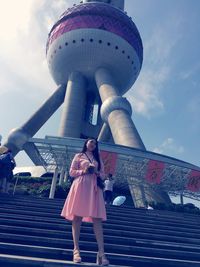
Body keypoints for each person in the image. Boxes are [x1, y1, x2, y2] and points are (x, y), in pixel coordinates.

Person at [61, 138, 109, 266]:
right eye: (91, 142)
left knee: (97, 219)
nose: (93, 144)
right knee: (77, 217)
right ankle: (76, 250)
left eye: (95, 143)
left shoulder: (98, 157)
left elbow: (104, 175)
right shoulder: (79, 155)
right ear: (86, 143)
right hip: (81, 186)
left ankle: (101, 253)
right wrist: (84, 171)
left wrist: (97, 173)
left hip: (94, 188)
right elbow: (71, 172)